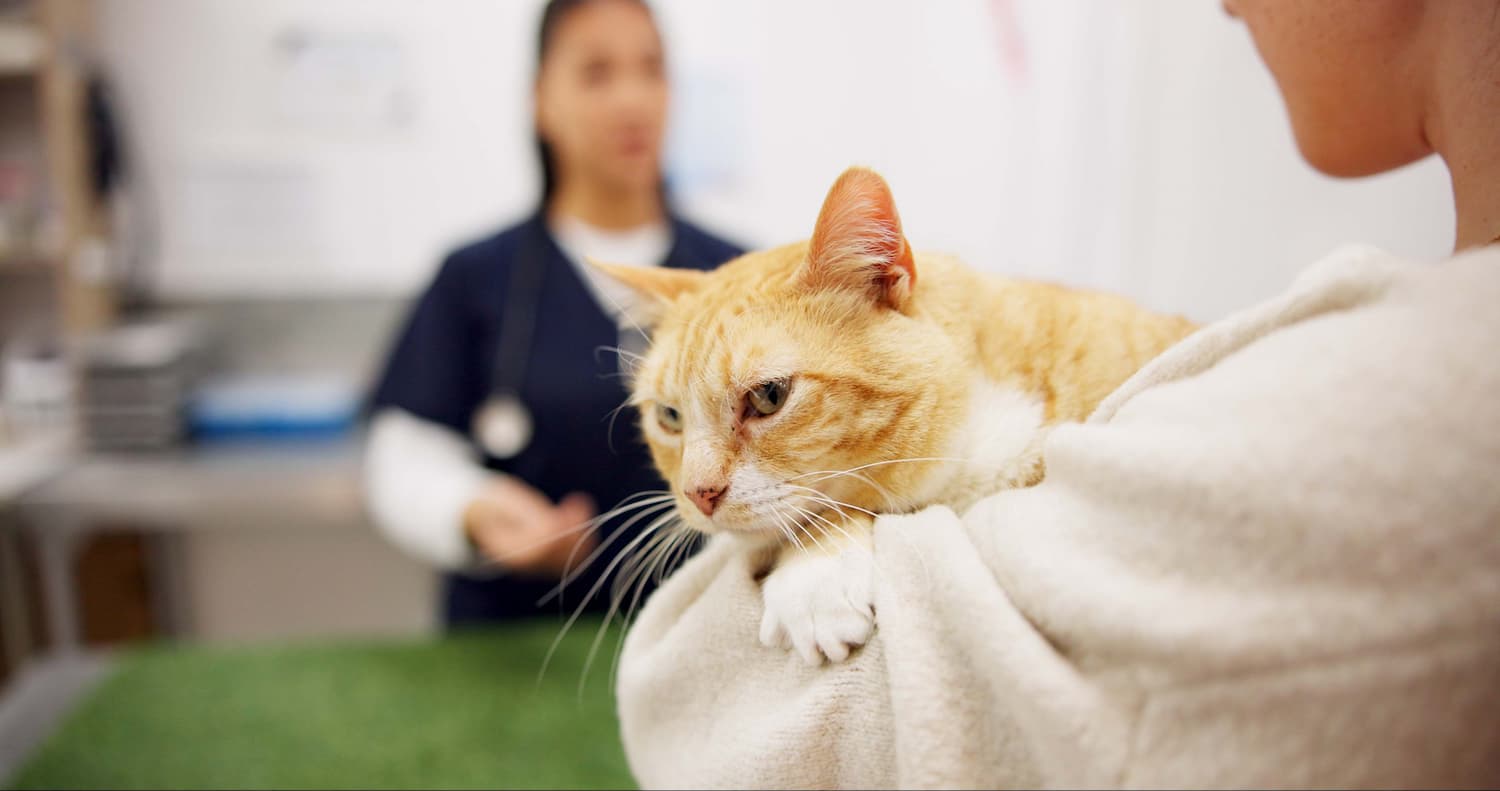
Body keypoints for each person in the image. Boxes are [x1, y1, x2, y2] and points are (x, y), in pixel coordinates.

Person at [614, 1, 1500, 787]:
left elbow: (686, 719)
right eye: (666, 417)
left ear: (888, 283)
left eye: (764, 395)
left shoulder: (1428, 400)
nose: (699, 482)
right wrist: (830, 518)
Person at [363, 0, 742, 626]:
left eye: (651, 69)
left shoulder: (735, 276)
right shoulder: (475, 277)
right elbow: (402, 456)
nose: (633, 99)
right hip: (515, 646)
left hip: (703, 635)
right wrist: (473, 509)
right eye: (597, 72)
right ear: (541, 100)